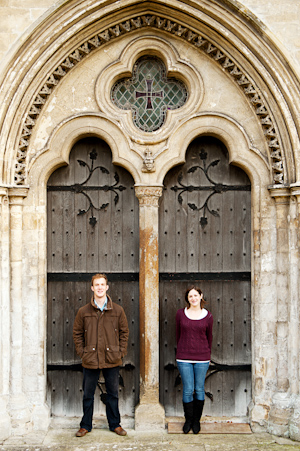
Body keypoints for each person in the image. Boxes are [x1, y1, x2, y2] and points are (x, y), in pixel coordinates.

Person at [73, 273, 129, 437]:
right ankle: (85, 425)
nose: (99, 287)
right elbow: (77, 333)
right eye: (96, 285)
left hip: (112, 358)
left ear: (107, 287)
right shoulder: (83, 311)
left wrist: (120, 352)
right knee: (88, 395)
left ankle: (115, 424)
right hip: (90, 359)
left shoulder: (118, 310)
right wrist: (82, 353)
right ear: (92, 288)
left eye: (102, 284)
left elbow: (124, 333)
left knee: (113, 394)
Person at [176, 286, 213, 434]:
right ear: (187, 298)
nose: (193, 298)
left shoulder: (208, 316)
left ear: (201, 296)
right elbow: (178, 334)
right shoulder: (180, 314)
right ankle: (188, 420)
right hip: (184, 357)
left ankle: (197, 421)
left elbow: (209, 337)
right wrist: (181, 350)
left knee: (199, 389)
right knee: (188, 390)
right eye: (190, 296)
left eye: (196, 295)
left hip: (202, 357)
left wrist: (207, 354)